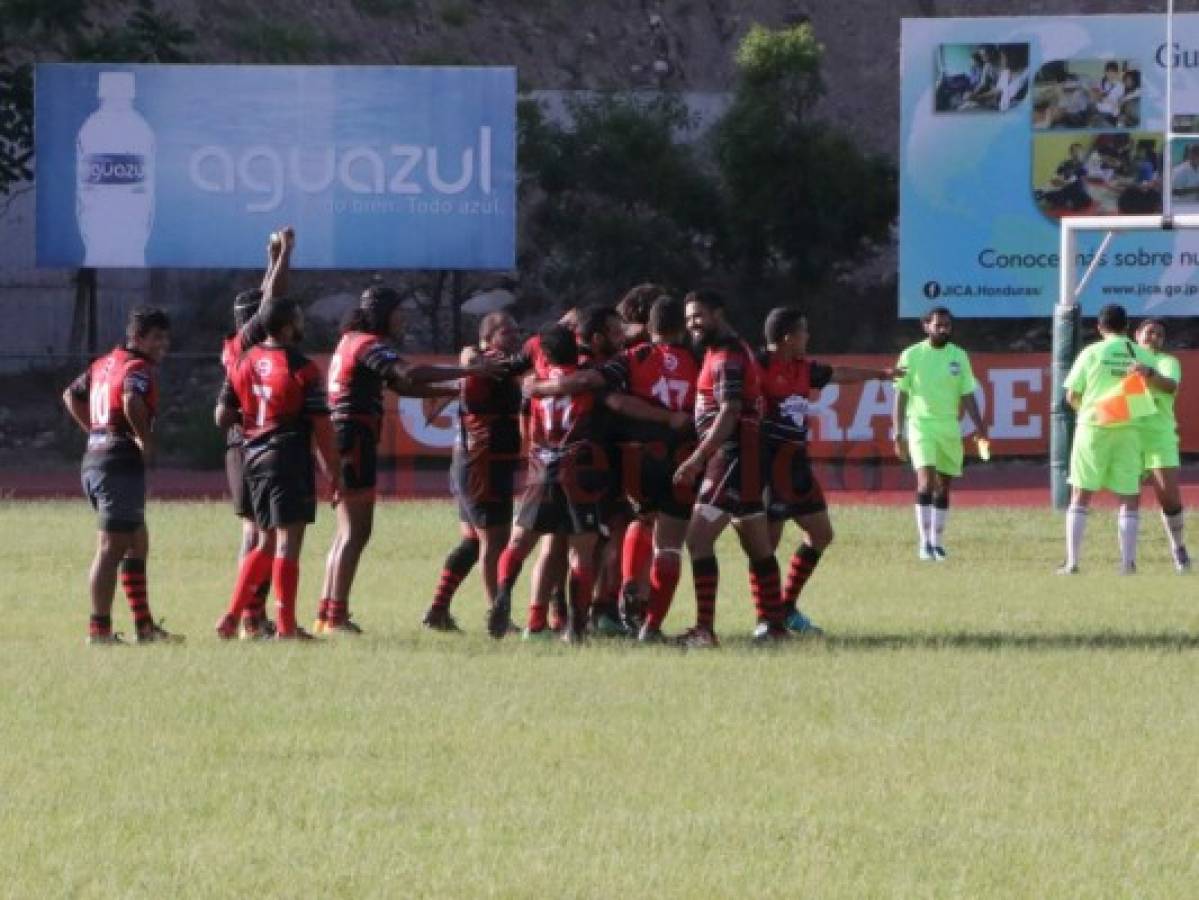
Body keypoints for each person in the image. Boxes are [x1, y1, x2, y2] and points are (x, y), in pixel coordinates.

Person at [315, 287, 488, 635]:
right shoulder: (367, 343)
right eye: (399, 311)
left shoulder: (352, 340)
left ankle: (327, 612)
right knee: (356, 531)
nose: (403, 318)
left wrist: (454, 390)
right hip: (354, 437)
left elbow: (402, 387)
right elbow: (409, 374)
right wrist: (468, 374)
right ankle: (336, 618)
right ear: (382, 313)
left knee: (346, 531)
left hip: (345, 438)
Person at [526, 295, 699, 642]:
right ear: (682, 328)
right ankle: (645, 621)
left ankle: (602, 606)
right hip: (684, 455)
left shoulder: (631, 359)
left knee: (629, 523)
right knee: (666, 543)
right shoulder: (698, 358)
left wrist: (537, 387)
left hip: (632, 456)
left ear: (649, 328)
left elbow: (592, 384)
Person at [759, 307, 901, 634]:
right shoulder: (758, 366)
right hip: (768, 466)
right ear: (787, 338)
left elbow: (838, 373)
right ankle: (767, 620)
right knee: (766, 546)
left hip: (797, 464)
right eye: (803, 331)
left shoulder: (803, 368)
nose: (808, 337)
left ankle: (786, 606)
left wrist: (880, 375)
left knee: (822, 534)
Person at [214, 291, 340, 640]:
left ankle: (231, 616)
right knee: (289, 542)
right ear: (286, 327)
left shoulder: (242, 361)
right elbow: (322, 426)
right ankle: (286, 626)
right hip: (287, 455)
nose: (302, 323)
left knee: (265, 541)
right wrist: (333, 473)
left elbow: (221, 415)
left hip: (252, 455)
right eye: (298, 318)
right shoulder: (302, 367)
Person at [672, 289, 789, 646]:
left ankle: (705, 630)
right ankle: (774, 626)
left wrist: (698, 457)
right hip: (745, 456)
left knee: (697, 539)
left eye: (699, 316)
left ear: (717, 314)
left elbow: (730, 410)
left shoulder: (727, 356)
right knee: (757, 545)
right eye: (689, 317)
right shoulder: (728, 349)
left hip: (730, 456)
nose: (692, 324)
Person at [63, 306, 182, 645]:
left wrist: (94, 430)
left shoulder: (103, 363)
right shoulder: (137, 367)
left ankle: (144, 628)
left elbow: (70, 394)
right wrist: (145, 441)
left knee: (137, 541)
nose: (163, 344)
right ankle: (98, 631)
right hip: (117, 462)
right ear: (137, 338)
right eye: (156, 337)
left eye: (165, 337)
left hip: (97, 459)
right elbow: (131, 400)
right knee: (111, 547)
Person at [422, 310, 524, 631]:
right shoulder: (493, 364)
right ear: (488, 338)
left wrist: (470, 354)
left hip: (470, 460)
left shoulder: (481, 362)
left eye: (516, 330)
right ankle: (499, 617)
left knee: (473, 543)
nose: (515, 337)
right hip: (485, 462)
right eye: (507, 331)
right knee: (495, 543)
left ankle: (438, 610)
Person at [1058, 304, 1161, 575]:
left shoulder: (1091, 352)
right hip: (1128, 429)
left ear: (1099, 327)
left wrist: (1092, 411)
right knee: (1129, 497)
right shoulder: (1140, 353)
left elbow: (1070, 396)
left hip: (1093, 427)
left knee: (1081, 494)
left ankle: (1073, 562)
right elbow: (1150, 390)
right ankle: (1127, 564)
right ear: (1127, 327)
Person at [892, 306, 988, 561]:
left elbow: (967, 393)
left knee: (943, 487)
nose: (943, 329)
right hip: (920, 425)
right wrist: (897, 433)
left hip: (949, 427)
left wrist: (980, 426)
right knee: (925, 482)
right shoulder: (911, 355)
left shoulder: (959, 356)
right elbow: (900, 396)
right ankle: (924, 544)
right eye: (938, 325)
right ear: (926, 326)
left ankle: (937, 542)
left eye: (947, 325)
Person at [1134, 318, 1190, 572]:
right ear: (1137, 335)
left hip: (1159, 437)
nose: (1154, 337)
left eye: (1159, 334)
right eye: (1149, 332)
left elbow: (1170, 386)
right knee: (1128, 499)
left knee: (1169, 498)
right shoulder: (1121, 358)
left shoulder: (1168, 362)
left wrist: (1149, 373)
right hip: (1129, 436)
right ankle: (1128, 559)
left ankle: (1178, 549)